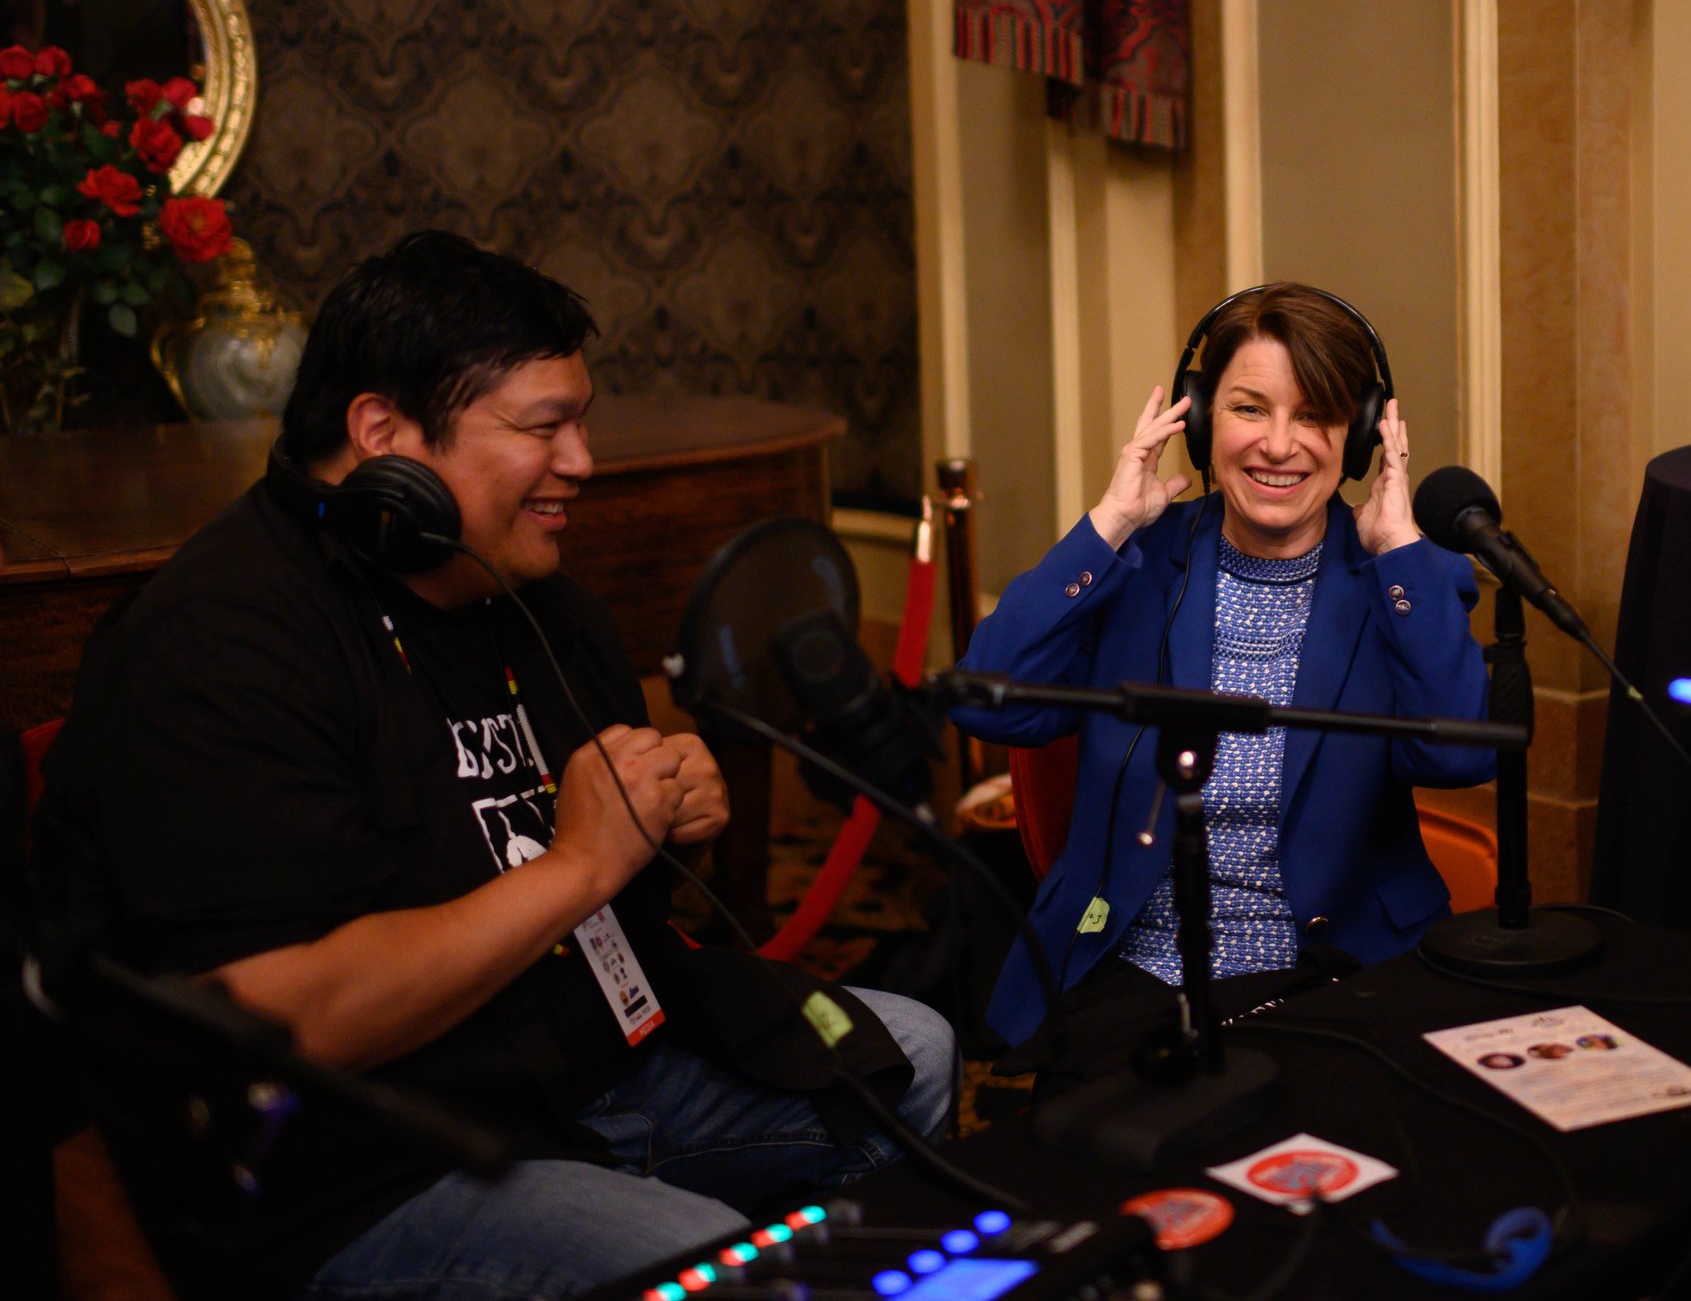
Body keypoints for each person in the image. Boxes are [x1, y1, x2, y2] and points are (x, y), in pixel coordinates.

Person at [33, 233, 957, 1299]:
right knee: (691, 1253)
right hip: (371, 1158)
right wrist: (578, 862)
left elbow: (627, 886)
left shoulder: (532, 594)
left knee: (917, 1053)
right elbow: (291, 1017)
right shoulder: (221, 643)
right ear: (383, 433)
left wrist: (671, 813)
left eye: (583, 417)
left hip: (578, 1070)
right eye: (542, 425)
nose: (582, 461)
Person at [953, 283, 1492, 1053]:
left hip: (1332, 978)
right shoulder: (1135, 566)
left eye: (1314, 414)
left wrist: (1400, 551)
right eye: (1249, 408)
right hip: (1133, 973)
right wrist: (1106, 526)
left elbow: (1459, 752)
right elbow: (986, 703)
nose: (1279, 445)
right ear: (1200, 421)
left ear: (1365, 434)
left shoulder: (1398, 582)